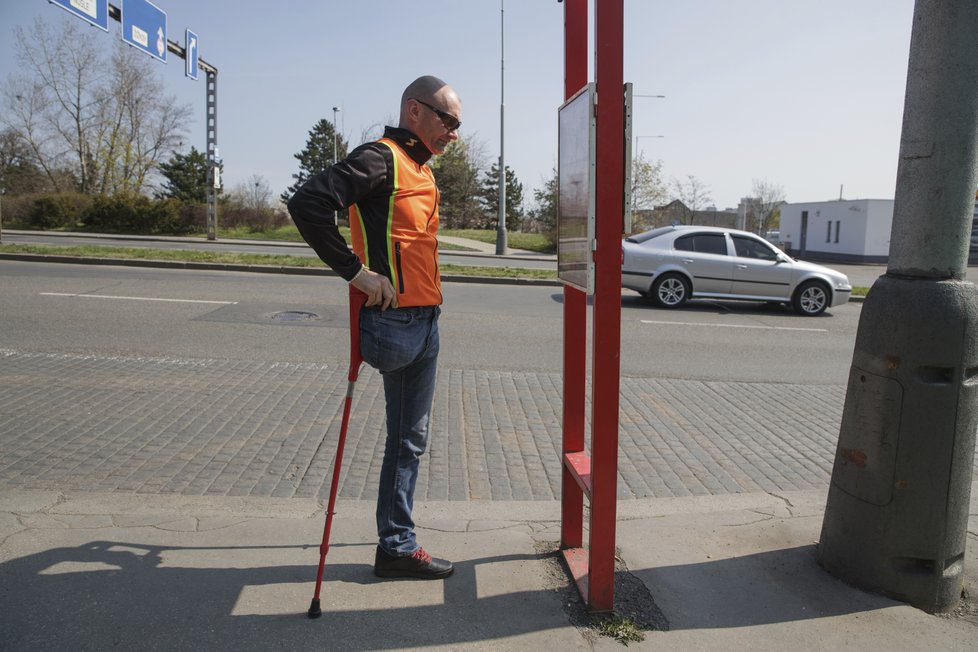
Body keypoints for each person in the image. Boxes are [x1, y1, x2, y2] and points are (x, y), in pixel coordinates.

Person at [287, 75, 461, 580]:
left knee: (411, 440)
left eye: (457, 124)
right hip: (394, 324)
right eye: (448, 120)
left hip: (426, 321)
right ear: (415, 111)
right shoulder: (380, 157)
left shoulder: (421, 170)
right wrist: (356, 273)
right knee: (405, 440)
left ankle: (396, 548)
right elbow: (308, 202)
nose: (454, 132)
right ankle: (397, 545)